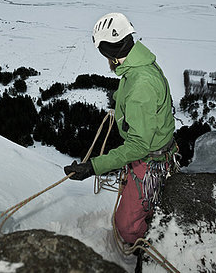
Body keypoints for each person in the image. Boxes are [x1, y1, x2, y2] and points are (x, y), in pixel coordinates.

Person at [64, 12, 178, 244]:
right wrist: (120, 101)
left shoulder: (140, 85)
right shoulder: (140, 63)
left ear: (110, 53)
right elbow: (134, 93)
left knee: (125, 227)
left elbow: (138, 145)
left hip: (149, 162)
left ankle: (142, 252)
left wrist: (94, 167)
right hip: (155, 150)